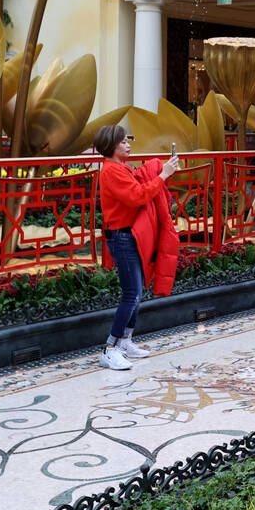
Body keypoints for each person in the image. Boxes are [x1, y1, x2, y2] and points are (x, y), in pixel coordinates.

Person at [93, 125, 180, 371]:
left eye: (128, 140)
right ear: (111, 146)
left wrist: (162, 172)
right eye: (123, 142)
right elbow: (138, 196)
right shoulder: (112, 171)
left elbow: (141, 185)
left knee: (137, 291)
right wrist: (162, 176)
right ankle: (110, 349)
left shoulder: (122, 168)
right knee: (132, 293)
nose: (128, 145)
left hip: (128, 235)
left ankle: (126, 341)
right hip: (122, 237)